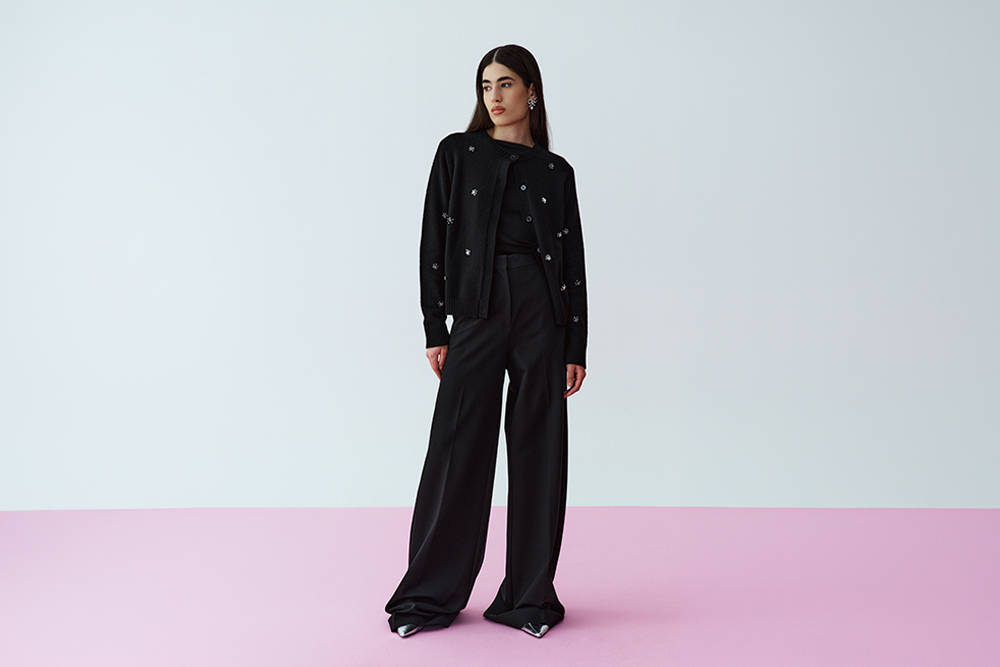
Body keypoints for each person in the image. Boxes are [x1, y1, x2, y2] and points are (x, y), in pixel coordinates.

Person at [384, 44, 588, 640]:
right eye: (485, 86)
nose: (493, 96)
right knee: (457, 446)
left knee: (539, 450)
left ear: (532, 91)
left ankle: (529, 599)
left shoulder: (556, 171)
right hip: (476, 308)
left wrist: (575, 345)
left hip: (542, 314)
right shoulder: (458, 152)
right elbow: (432, 241)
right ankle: (425, 599)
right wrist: (435, 326)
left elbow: (573, 262)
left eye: (505, 84)